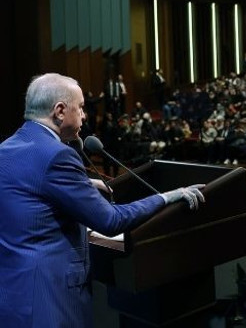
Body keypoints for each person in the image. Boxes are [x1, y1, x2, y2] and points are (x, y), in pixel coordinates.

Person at [0, 73, 206, 328]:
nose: (85, 116)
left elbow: (27, 188)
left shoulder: (7, 147)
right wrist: (167, 197)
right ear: (60, 111)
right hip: (51, 300)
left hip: (15, 294)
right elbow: (110, 220)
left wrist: (83, 184)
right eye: (82, 107)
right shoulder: (58, 156)